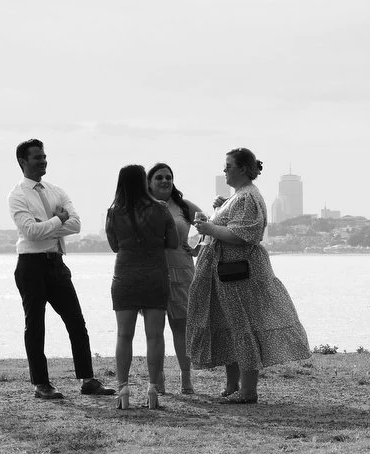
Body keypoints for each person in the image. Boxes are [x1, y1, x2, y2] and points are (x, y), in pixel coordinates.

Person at [187, 147, 310, 404]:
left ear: (242, 169)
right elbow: (233, 226)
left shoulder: (247, 196)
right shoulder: (240, 196)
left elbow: (244, 235)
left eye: (228, 166)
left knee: (241, 326)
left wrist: (210, 226)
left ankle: (248, 389)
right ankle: (234, 383)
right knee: (230, 326)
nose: (224, 171)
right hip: (227, 273)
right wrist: (221, 209)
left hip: (237, 273)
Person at [9, 138, 110, 400]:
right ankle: (41, 384)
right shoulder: (17, 194)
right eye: (37, 157)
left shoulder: (57, 191)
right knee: (35, 325)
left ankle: (88, 379)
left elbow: (75, 224)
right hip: (30, 265)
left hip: (56, 263)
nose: (43, 161)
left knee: (76, 321)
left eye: (44, 156)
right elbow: (30, 232)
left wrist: (50, 224)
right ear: (23, 161)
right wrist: (58, 220)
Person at [103, 164, 180, 411]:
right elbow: (174, 242)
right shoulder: (161, 209)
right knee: (155, 336)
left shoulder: (114, 212)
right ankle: (153, 388)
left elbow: (114, 245)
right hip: (155, 276)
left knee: (124, 335)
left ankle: (123, 388)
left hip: (124, 276)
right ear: (144, 182)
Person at [148, 162, 203, 396]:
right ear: (149, 183)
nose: (164, 181)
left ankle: (186, 379)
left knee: (181, 327)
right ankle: (157, 380)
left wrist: (197, 247)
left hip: (181, 270)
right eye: (159, 177)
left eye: (168, 177)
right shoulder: (144, 205)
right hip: (152, 270)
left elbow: (208, 225)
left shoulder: (183, 206)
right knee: (154, 328)